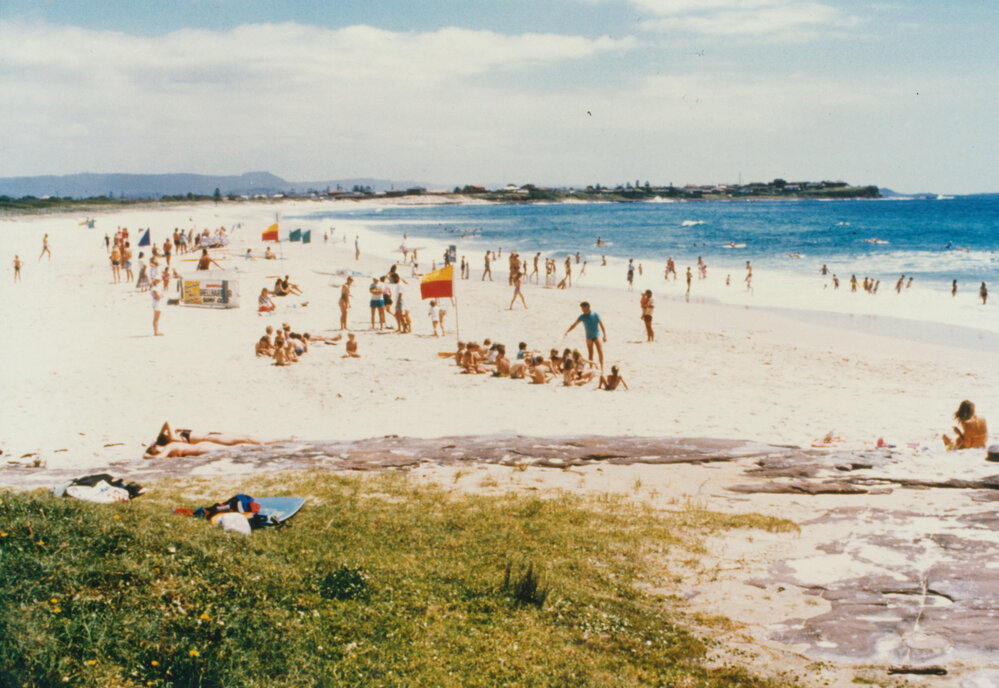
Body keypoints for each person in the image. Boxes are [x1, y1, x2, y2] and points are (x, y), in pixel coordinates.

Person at [144, 421, 264, 458]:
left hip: (202, 447)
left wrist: (147, 455)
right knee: (237, 447)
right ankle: (261, 448)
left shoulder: (170, 445)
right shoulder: (173, 446)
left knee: (237, 448)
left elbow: (159, 457)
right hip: (203, 445)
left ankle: (261, 449)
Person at [564, 301, 606, 370]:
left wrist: (604, 335)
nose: (582, 310)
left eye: (583, 308)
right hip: (588, 337)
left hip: (597, 335)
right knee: (590, 353)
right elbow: (574, 325)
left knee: (600, 351)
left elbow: (601, 325)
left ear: (587, 307)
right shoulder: (582, 316)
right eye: (582, 309)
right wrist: (567, 331)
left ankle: (601, 367)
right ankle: (591, 367)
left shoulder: (595, 314)